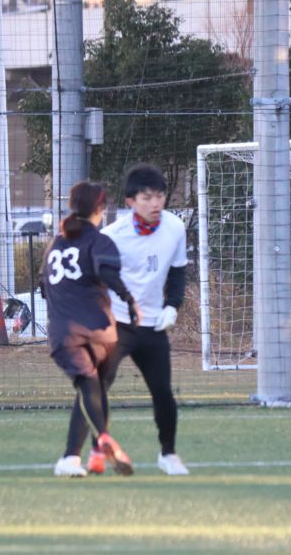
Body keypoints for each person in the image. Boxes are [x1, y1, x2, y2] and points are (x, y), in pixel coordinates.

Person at [46, 181, 141, 478]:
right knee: (93, 390)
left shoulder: (55, 244)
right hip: (101, 331)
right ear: (100, 208)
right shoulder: (100, 242)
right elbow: (108, 272)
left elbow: (44, 288)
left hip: (66, 333)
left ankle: (93, 447)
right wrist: (129, 300)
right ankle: (93, 449)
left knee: (90, 390)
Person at [100, 163, 190, 476]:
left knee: (163, 392)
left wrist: (173, 306)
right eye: (147, 197)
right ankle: (86, 452)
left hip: (152, 326)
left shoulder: (175, 228)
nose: (156, 203)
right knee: (96, 388)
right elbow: (98, 279)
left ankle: (169, 454)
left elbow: (178, 271)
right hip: (117, 324)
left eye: (160, 196)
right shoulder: (112, 236)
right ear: (130, 201)